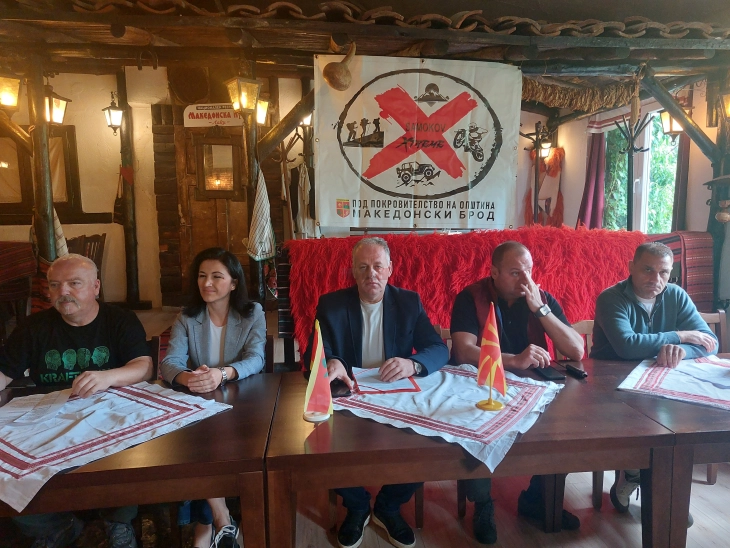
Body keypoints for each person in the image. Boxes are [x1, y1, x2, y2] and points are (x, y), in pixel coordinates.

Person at [0, 253, 152, 548]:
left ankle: (118, 522)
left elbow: (144, 366)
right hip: (47, 419)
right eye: (55, 285)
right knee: (8, 465)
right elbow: (4, 372)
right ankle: (59, 526)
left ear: (96, 287)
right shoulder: (33, 327)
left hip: (108, 413)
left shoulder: (120, 320)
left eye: (74, 283)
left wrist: (108, 377)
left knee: (132, 449)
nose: (63, 292)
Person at [304, 237, 448, 548]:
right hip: (349, 395)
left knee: (430, 441)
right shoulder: (332, 304)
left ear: (390, 269)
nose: (371, 274)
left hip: (396, 394)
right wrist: (331, 361)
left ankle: (388, 507)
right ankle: (357, 506)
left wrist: (412, 364)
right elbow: (313, 353)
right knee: (320, 445)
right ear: (353, 271)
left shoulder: (408, 302)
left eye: (378, 266)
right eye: (363, 267)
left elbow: (438, 349)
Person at [450, 241, 584, 544]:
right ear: (494, 272)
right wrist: (513, 360)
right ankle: (483, 503)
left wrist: (541, 310)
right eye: (515, 273)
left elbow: (576, 350)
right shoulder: (471, 297)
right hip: (480, 384)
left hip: (533, 385)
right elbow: (463, 351)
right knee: (479, 428)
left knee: (565, 426)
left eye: (529, 271)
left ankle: (537, 498)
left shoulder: (541, 298)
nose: (525, 280)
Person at [591, 241, 717, 520]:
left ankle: (667, 490)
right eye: (648, 270)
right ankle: (635, 476)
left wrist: (679, 351)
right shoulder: (611, 298)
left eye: (664, 273)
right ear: (631, 267)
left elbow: (710, 342)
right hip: (611, 383)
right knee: (643, 423)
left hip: (659, 377)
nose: (656, 279)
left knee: (681, 423)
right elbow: (626, 346)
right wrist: (679, 336)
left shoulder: (676, 295)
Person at [160, 247, 266, 548]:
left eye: (217, 276)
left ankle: (206, 524)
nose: (207, 283)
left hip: (242, 401)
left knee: (208, 444)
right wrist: (189, 378)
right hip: (200, 400)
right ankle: (220, 519)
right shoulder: (187, 317)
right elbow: (170, 363)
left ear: (234, 283)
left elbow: (256, 358)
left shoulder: (252, 313)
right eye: (202, 276)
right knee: (195, 442)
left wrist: (222, 374)